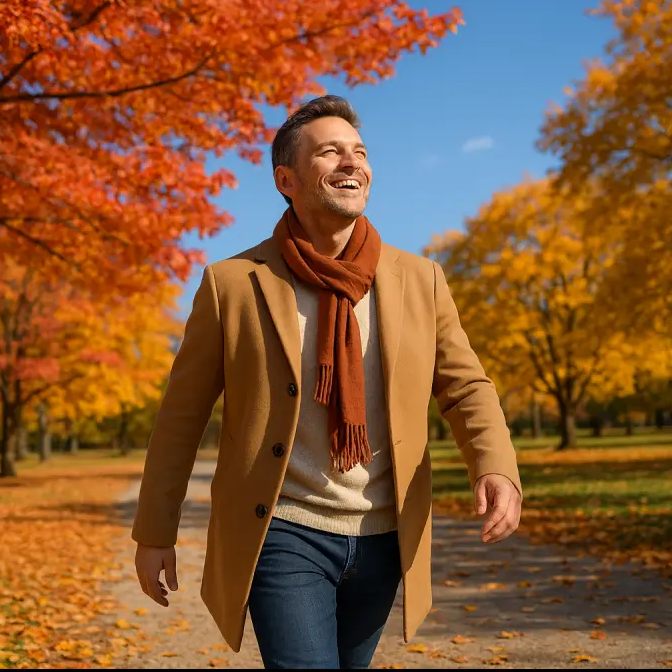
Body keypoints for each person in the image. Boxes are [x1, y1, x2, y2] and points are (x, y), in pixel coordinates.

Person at [132, 94, 522, 669]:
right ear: (286, 179)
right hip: (282, 531)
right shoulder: (233, 285)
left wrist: (496, 466)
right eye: (331, 152)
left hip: (385, 532)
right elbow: (180, 418)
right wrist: (155, 530)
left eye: (359, 152)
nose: (351, 162)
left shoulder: (420, 279)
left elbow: (465, 386)